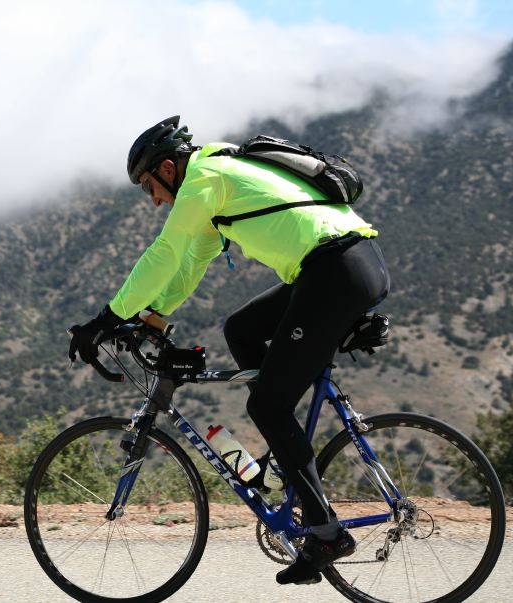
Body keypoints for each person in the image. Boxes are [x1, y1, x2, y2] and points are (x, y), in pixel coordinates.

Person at [68, 115, 390, 585]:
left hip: (335, 273)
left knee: (267, 404)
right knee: (241, 330)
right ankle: (287, 462)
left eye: (147, 187)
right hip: (342, 268)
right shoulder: (216, 180)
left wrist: (108, 318)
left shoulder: (205, 177)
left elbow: (165, 251)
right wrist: (152, 318)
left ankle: (325, 533)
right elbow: (191, 261)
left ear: (167, 169)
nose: (153, 199)